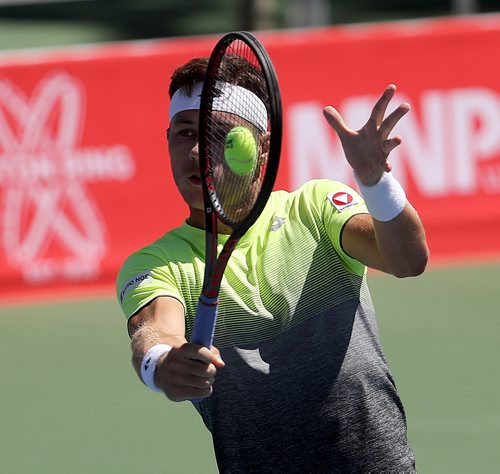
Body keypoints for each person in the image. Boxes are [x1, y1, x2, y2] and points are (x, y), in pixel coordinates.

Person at [116, 55, 429, 472]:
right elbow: (153, 332)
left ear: (261, 145)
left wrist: (375, 180)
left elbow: (407, 259)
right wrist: (163, 365)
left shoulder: (315, 209)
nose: (196, 151)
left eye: (219, 135)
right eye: (185, 133)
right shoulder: (157, 263)